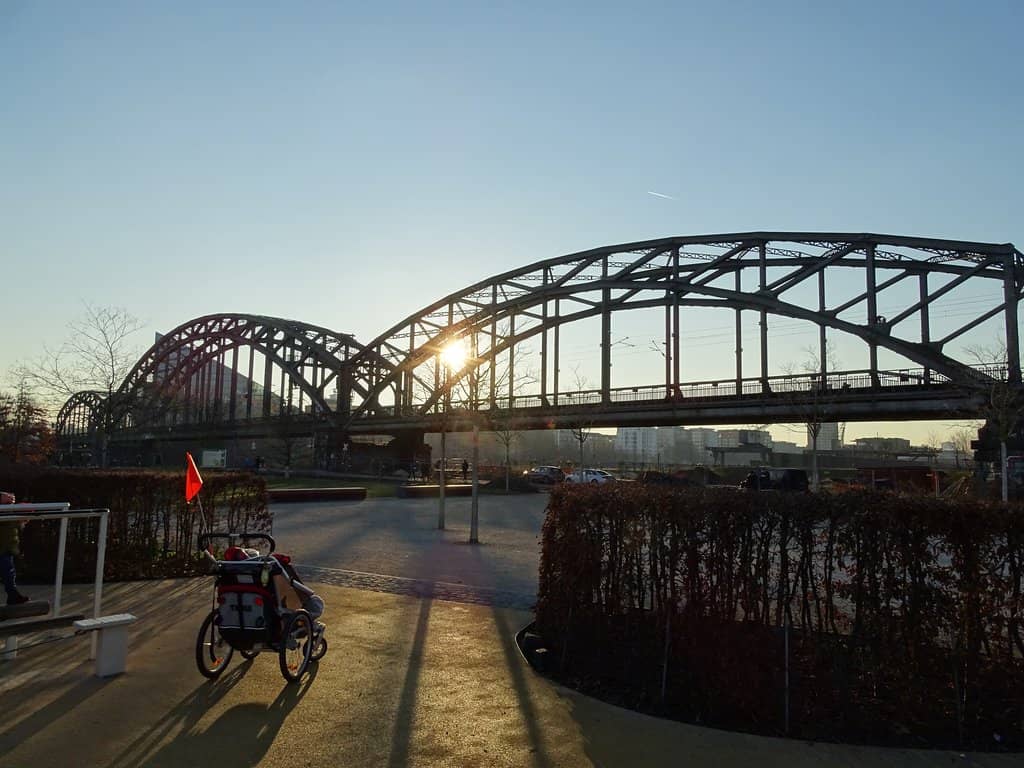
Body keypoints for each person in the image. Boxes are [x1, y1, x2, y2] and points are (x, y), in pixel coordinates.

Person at [0, 491, 29, 605]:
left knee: (9, 572)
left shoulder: (11, 515)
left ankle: (13, 596)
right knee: (8, 572)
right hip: (3, 549)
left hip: (8, 549)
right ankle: (13, 595)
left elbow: (18, 526)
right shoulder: (5, 514)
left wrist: (23, 520)